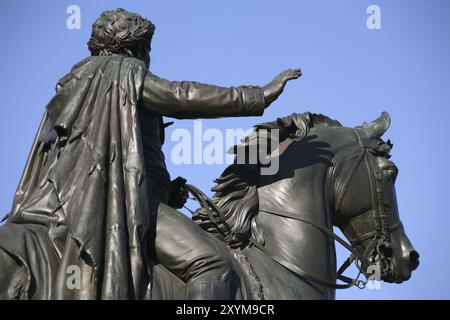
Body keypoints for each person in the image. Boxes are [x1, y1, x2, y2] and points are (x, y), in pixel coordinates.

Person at [0, 8, 301, 299]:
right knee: (213, 264)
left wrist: (167, 191)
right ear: (137, 49)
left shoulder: (71, 85)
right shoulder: (124, 73)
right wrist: (257, 96)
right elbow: (182, 96)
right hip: (126, 205)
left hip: (62, 204)